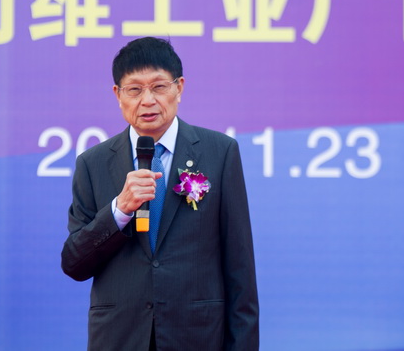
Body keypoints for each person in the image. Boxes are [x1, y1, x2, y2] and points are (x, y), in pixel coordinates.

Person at [61, 37, 259, 350]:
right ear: (118, 95)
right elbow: (74, 263)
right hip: (120, 338)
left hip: (197, 337)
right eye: (134, 89)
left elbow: (240, 268)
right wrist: (119, 210)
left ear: (179, 88)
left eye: (158, 87)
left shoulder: (219, 153)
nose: (148, 100)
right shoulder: (93, 163)